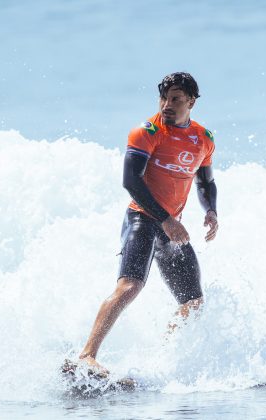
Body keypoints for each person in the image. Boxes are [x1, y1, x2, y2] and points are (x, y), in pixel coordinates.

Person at [78, 72, 218, 374]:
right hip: (142, 217)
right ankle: (87, 355)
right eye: (164, 98)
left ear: (191, 102)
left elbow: (205, 181)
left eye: (176, 99)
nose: (167, 104)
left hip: (171, 227)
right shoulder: (147, 132)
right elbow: (131, 181)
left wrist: (211, 211)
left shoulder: (203, 139)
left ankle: (160, 362)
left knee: (193, 302)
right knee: (130, 286)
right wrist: (165, 219)